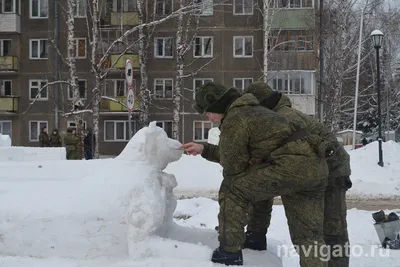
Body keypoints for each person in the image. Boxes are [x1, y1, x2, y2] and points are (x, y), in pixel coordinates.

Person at [181, 82, 329, 266]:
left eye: (207, 111)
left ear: (217, 105)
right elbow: (236, 154)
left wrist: (229, 226)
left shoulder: (236, 117)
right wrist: (204, 149)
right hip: (314, 167)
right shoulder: (252, 110)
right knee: (309, 236)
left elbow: (233, 166)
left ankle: (230, 252)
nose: (207, 116)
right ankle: (255, 238)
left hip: (290, 166)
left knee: (234, 190)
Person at [244, 81, 352, 267]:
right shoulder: (279, 116)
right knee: (329, 230)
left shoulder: (279, 120)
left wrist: (255, 231)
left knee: (322, 232)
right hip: (327, 169)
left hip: (328, 171)